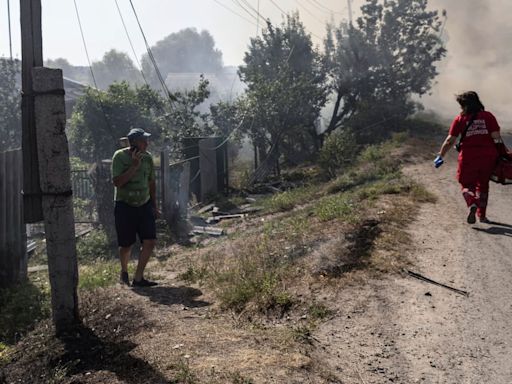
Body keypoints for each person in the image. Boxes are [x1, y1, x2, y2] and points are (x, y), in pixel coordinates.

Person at [434, 91, 504, 224]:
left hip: (468, 158)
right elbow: (496, 137)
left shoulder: (460, 119)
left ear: (464, 105)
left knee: (466, 184)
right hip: (488, 157)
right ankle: (482, 215)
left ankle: (472, 203)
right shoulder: (488, 116)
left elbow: (450, 140)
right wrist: (502, 153)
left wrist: (440, 155)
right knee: (483, 185)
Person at [112, 128, 160, 287]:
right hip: (124, 205)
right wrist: (133, 166)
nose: (147, 143)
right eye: (142, 141)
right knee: (126, 245)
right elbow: (117, 183)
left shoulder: (148, 158)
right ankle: (124, 271)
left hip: (144, 204)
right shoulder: (119, 157)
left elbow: (151, 183)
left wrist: (154, 205)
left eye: (146, 140)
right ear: (133, 143)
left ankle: (138, 278)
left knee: (150, 240)